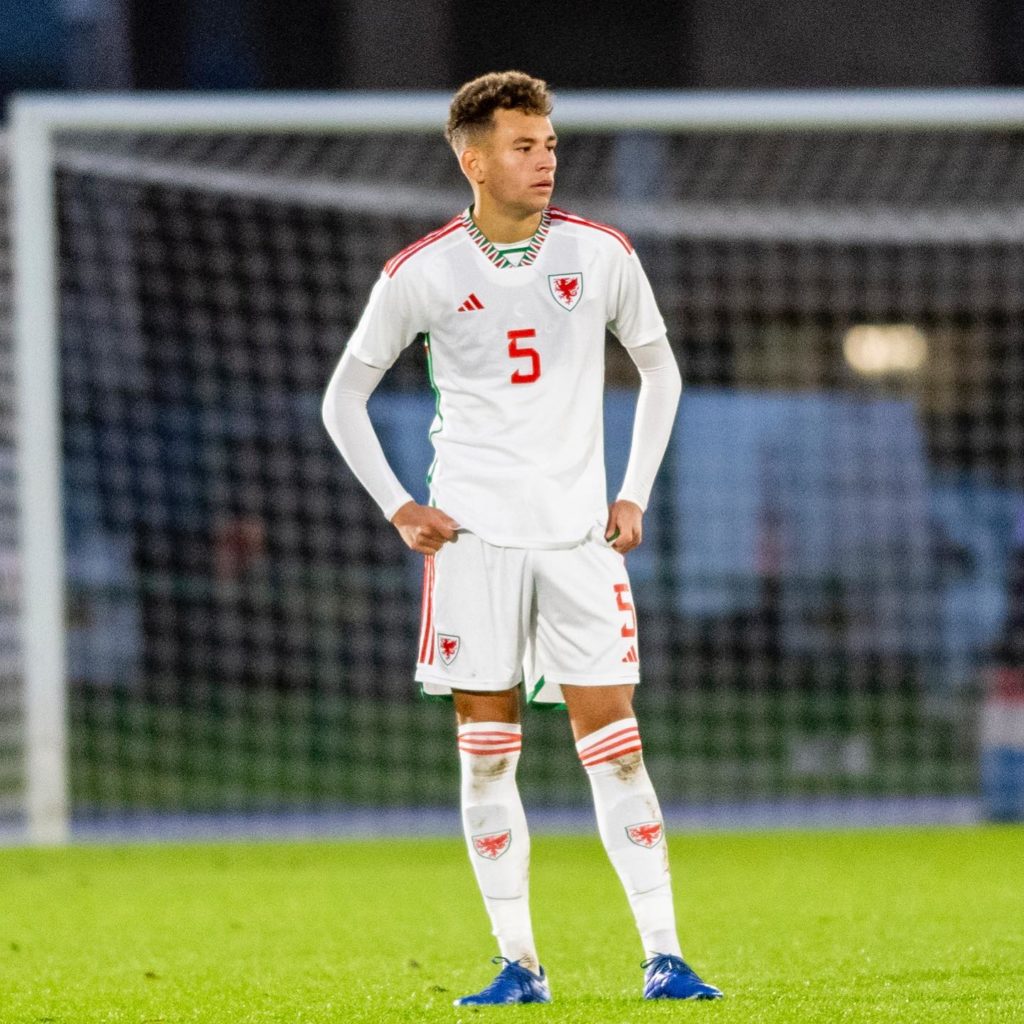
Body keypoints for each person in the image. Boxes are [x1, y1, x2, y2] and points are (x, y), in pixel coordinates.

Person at [322, 70, 721, 1005]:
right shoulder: (420, 273)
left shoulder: (602, 254)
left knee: (617, 745)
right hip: (474, 547)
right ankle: (519, 964)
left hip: (581, 542)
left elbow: (660, 374)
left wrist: (634, 494)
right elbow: (342, 398)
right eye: (522, 145)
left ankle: (664, 954)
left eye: (548, 143)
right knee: (488, 753)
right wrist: (396, 503)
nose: (545, 160)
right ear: (473, 159)